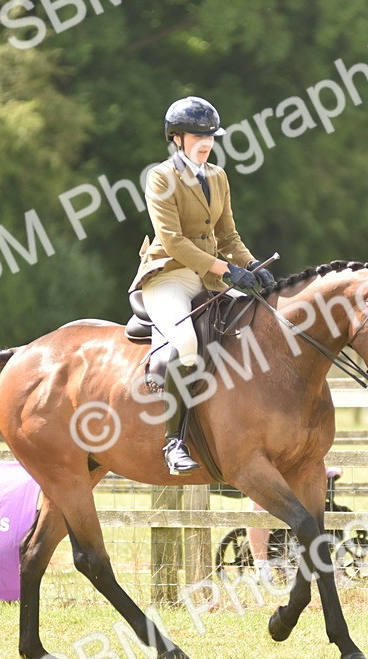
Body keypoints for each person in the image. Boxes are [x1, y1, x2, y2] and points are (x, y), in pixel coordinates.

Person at [129, 96, 275, 475]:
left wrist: (252, 265)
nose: (206, 142)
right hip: (169, 276)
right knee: (187, 343)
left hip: (208, 276)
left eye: (210, 136)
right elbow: (173, 240)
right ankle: (173, 443)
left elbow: (228, 236)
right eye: (197, 136)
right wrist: (225, 268)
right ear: (176, 138)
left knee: (258, 321)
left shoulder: (218, 177)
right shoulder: (161, 178)